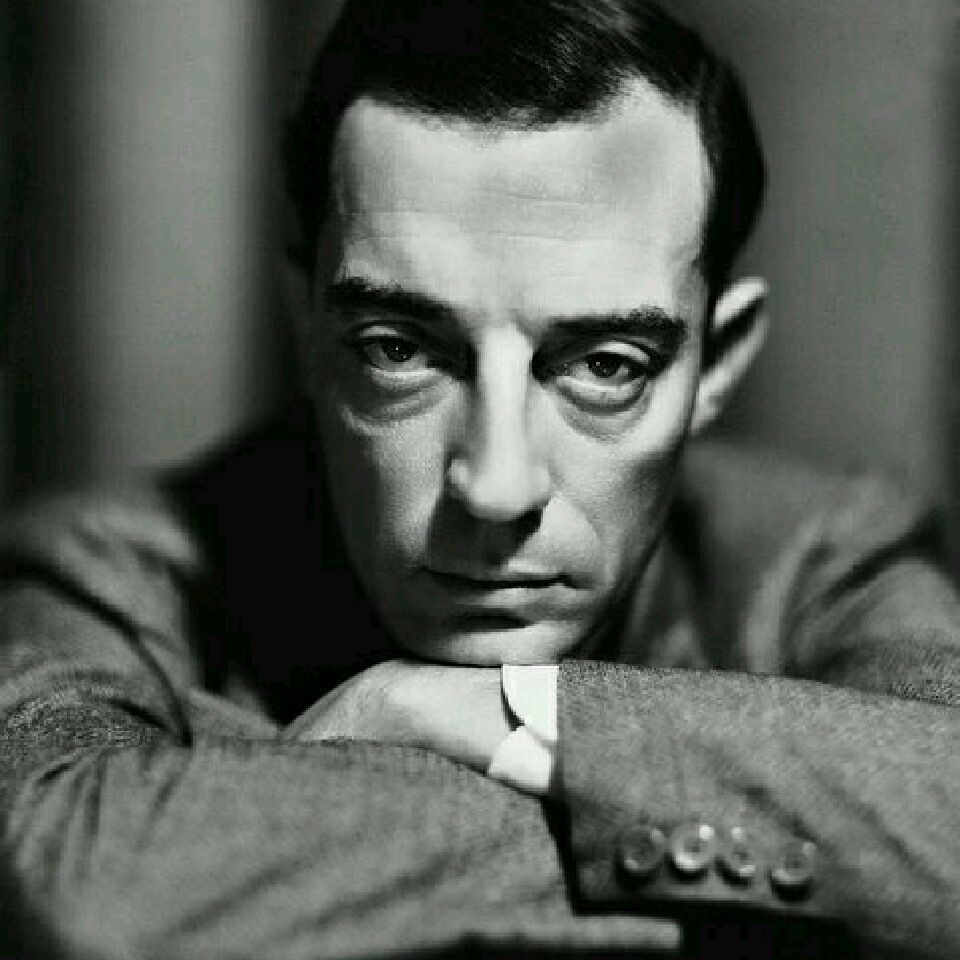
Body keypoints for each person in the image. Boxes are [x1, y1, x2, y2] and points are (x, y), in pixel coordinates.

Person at [1, 1, 958, 957]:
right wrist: (805, 840)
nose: (495, 489)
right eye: (399, 349)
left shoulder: (824, 553)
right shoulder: (108, 570)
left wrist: (469, 716)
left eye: (607, 365)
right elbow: (96, 894)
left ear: (718, 362)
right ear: (306, 324)